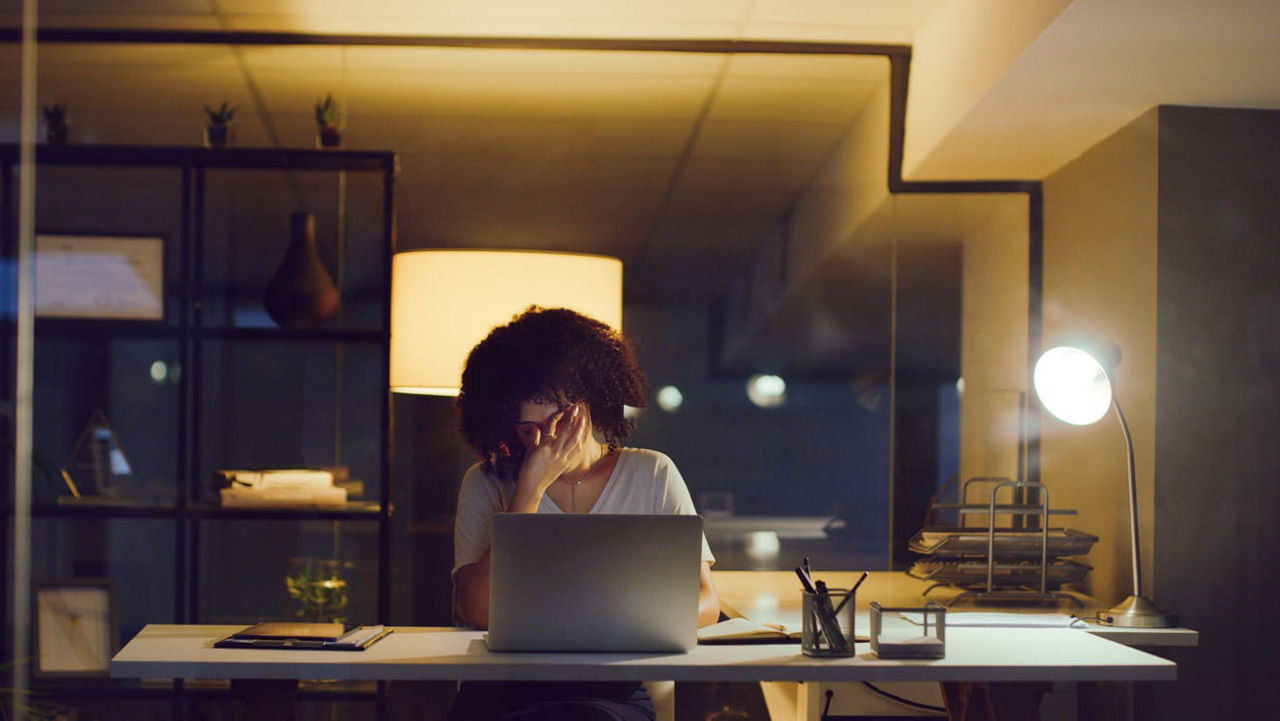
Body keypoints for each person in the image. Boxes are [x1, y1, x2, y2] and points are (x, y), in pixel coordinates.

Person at [448, 307, 719, 721]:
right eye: (527, 429)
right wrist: (530, 488)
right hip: (501, 688)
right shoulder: (486, 482)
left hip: (609, 690)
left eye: (558, 419)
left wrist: (614, 629)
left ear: (590, 400)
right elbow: (477, 612)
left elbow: (705, 602)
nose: (545, 440)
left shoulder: (652, 473)